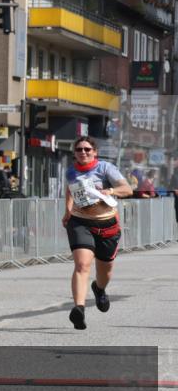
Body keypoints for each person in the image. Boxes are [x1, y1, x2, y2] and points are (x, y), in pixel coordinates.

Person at [61, 136, 132, 330]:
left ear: (94, 152)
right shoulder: (71, 171)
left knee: (105, 270)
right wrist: (68, 211)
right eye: (79, 150)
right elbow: (70, 190)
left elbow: (127, 189)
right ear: (74, 153)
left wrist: (110, 191)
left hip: (107, 224)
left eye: (87, 149)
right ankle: (79, 309)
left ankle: (99, 289)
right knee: (82, 265)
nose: (83, 152)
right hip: (80, 223)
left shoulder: (105, 168)